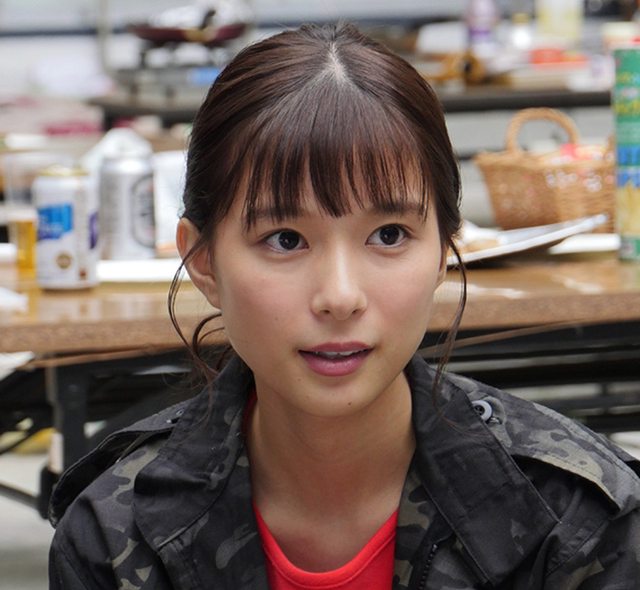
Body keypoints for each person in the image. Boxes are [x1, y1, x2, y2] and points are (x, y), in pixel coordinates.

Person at [48, 23, 640, 589]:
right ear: (202, 260)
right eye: (285, 239)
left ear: (444, 251)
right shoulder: (113, 535)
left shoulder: (576, 523)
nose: (339, 297)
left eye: (388, 235)